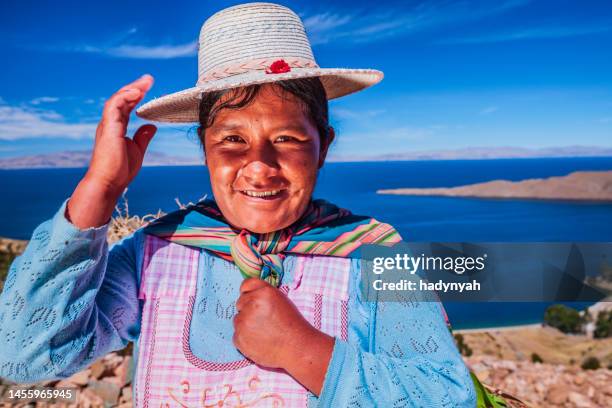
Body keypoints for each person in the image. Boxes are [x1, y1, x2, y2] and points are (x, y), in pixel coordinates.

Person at [0, 3, 476, 406]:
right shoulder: (156, 256)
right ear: (204, 147)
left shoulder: (372, 256)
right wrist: (100, 189)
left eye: (287, 138)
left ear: (323, 146)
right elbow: (23, 355)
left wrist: (303, 349)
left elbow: (449, 397)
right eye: (232, 140)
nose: (259, 165)